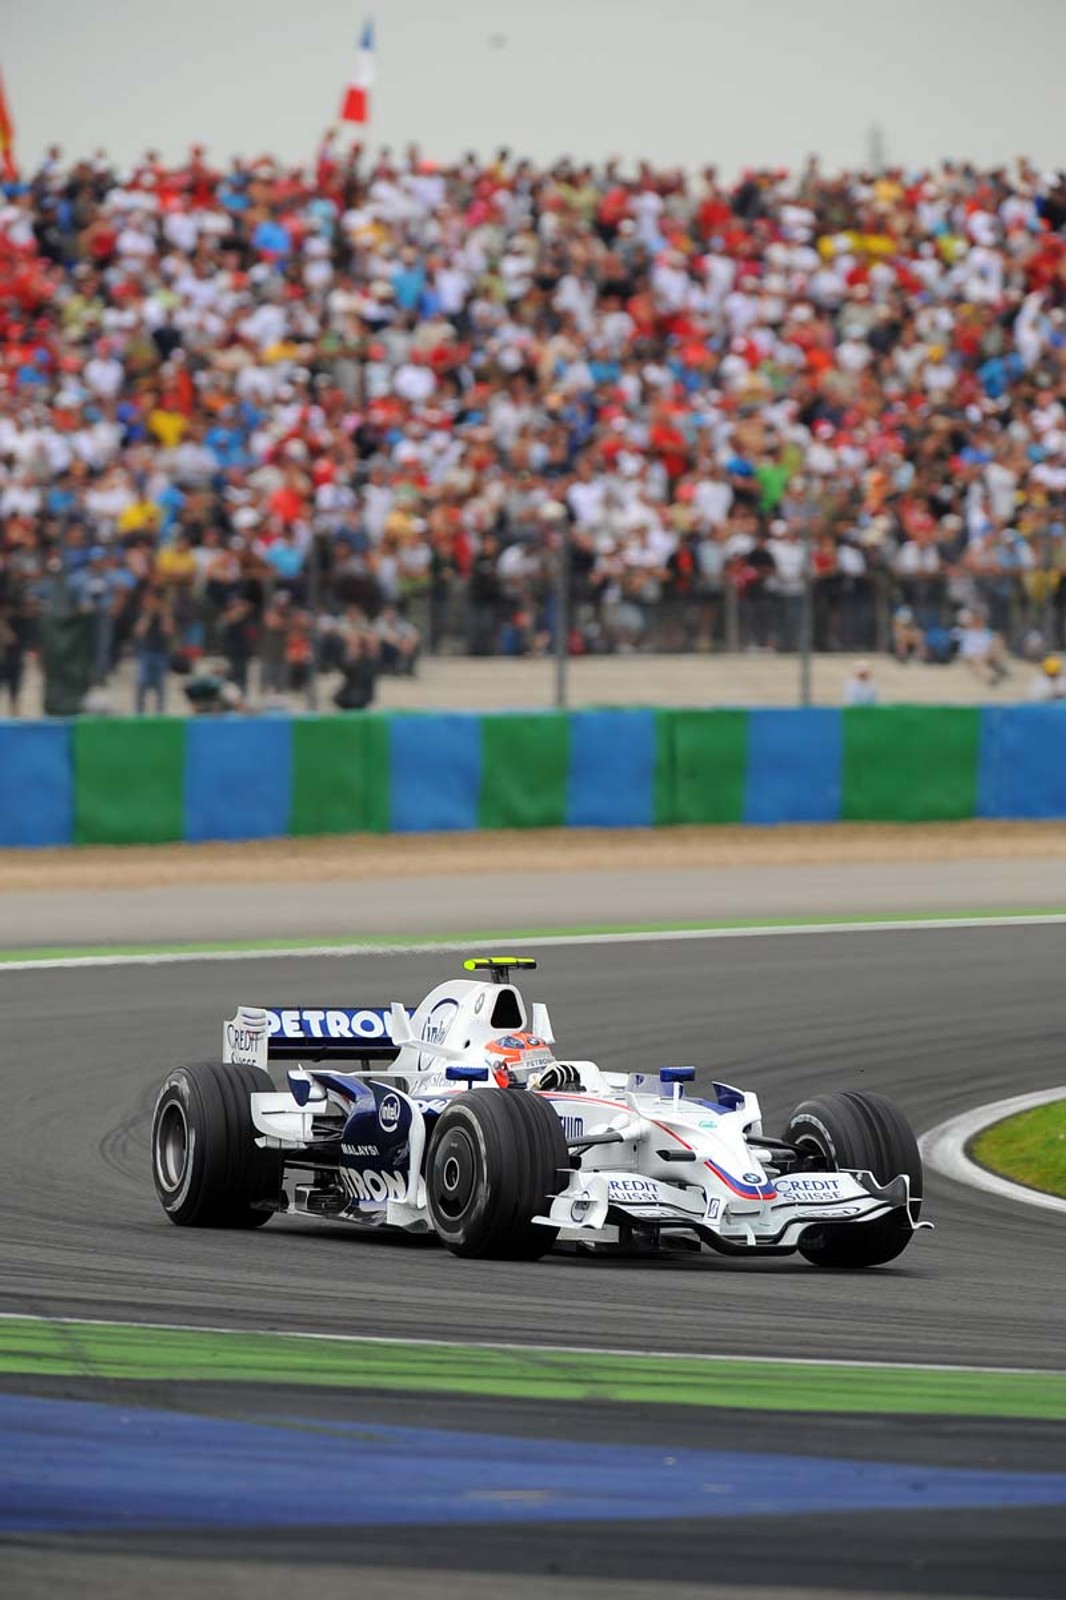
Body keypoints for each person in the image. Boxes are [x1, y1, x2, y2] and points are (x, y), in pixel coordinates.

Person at [133, 589, 173, 713]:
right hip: (146, 653)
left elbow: (168, 630)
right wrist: (148, 615)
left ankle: (160, 713)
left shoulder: (164, 615)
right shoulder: (142, 614)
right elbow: (139, 632)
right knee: (142, 684)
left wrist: (165, 614)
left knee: (160, 687)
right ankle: (139, 713)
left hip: (160, 653)